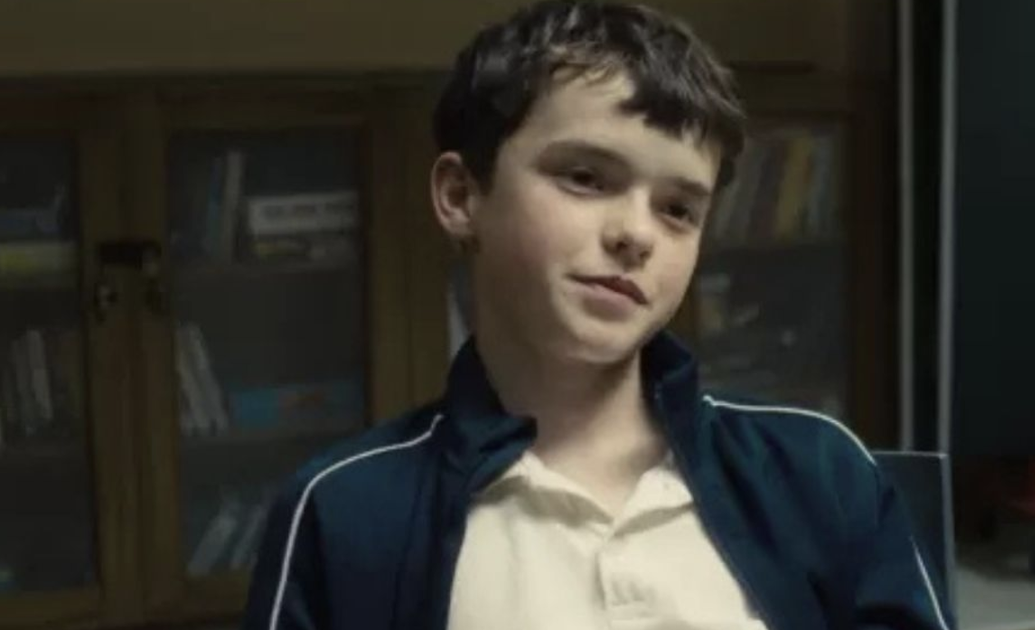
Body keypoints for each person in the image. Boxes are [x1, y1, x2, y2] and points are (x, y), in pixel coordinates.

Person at [242, 2, 954, 629]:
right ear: (461, 196)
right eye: (585, 178)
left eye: (678, 209)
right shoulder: (343, 512)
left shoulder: (819, 469)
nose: (636, 234)